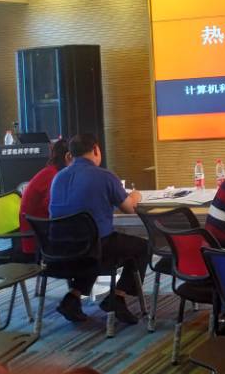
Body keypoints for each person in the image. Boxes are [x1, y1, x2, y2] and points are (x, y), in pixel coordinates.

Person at [48, 133, 148, 325]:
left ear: (71, 154)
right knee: (142, 247)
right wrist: (136, 196)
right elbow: (129, 208)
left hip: (59, 251)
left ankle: (72, 299)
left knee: (92, 244)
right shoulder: (105, 176)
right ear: (96, 149)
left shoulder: (58, 178)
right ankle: (117, 297)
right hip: (93, 250)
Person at [18, 137, 72, 256]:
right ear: (68, 157)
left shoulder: (51, 172)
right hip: (39, 242)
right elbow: (53, 210)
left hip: (40, 234)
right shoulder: (54, 177)